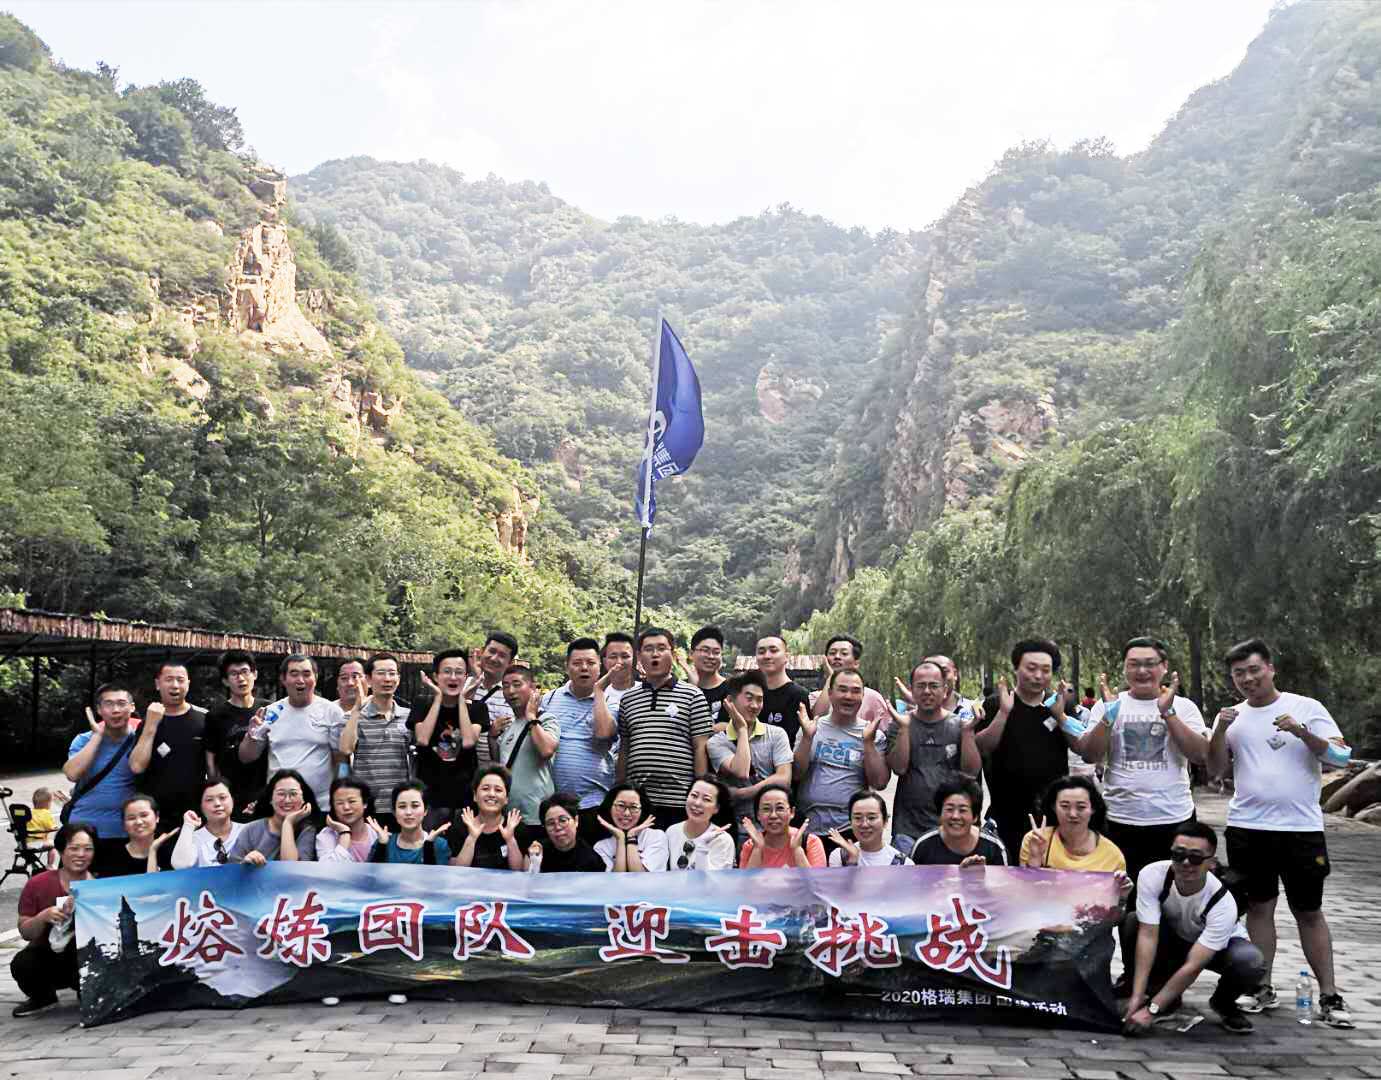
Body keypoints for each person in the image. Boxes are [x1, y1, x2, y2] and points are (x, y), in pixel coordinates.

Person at [1207, 637, 1354, 1027]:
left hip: (1300, 828)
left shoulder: (1306, 707)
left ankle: (1329, 994)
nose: (1247, 679)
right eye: (1239, 673)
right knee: (1258, 907)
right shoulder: (1232, 717)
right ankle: (1261, 986)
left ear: (1271, 668)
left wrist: (1303, 732)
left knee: (1308, 910)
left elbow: (1341, 756)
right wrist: (1220, 731)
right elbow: (1215, 770)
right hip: (1247, 827)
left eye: (1254, 670)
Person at [1076, 638, 1209, 884]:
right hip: (1119, 818)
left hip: (1173, 817)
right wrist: (1108, 716)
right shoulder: (1108, 705)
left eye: (1150, 663)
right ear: (1125, 668)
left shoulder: (1183, 706)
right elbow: (1090, 755)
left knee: (1171, 892)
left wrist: (1168, 713)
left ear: (1164, 667)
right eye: (1134, 664)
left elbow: (1200, 755)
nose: (1142, 670)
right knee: (1120, 892)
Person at [1122, 822, 1265, 1036]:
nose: (1186, 863)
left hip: (1217, 950)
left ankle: (1223, 1003)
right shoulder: (1152, 875)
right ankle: (1155, 993)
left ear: (1211, 863)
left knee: (1250, 960)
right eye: (1179, 855)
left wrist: (1151, 1011)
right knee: (1132, 922)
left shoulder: (1223, 902)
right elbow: (1148, 935)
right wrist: (1137, 996)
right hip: (1173, 939)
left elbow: (1194, 965)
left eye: (1196, 858)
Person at [976, 639, 1084, 861]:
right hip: (1005, 812)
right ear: (1016, 669)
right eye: (1031, 668)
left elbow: (1081, 747)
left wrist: (1061, 716)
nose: (1038, 676)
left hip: (1053, 814)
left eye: (1045, 670)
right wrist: (1004, 713)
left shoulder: (1060, 705)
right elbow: (983, 748)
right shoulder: (996, 704)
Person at [617, 627, 712, 830]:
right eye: (648, 649)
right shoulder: (628, 699)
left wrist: (699, 792)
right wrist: (620, 789)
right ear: (639, 656)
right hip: (638, 802)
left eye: (661, 648)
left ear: (673, 654)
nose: (655, 654)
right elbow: (625, 748)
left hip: (679, 800)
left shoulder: (693, 695)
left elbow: (700, 747)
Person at [888, 659, 981, 850]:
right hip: (908, 828)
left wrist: (967, 733)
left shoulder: (959, 725)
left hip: (951, 825)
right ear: (911, 690)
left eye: (933, 686)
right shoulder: (899, 724)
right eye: (921, 686)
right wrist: (904, 729)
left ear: (945, 690)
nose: (927, 691)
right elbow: (899, 768)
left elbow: (971, 772)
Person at [64, 682, 157, 866]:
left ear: (132, 707)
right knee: (78, 883)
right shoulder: (83, 739)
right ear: (99, 709)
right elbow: (72, 774)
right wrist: (97, 736)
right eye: (108, 704)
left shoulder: (140, 742)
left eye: (122, 703)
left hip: (125, 832)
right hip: (82, 831)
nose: (116, 710)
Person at [238, 654, 344, 816]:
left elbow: (341, 760)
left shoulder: (332, 712)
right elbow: (247, 757)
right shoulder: (271, 713)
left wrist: (341, 795)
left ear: (315, 678)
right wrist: (251, 736)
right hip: (279, 807)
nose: (300, 680)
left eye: (306, 674)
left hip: (320, 807)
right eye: (294, 674)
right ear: (283, 679)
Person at [10, 822, 97, 1018]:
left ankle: (89, 992)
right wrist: (43, 917)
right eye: (74, 848)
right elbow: (25, 931)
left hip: (85, 958)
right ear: (61, 850)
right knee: (22, 963)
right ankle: (43, 997)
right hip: (47, 955)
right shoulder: (38, 884)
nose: (81, 854)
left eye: (88, 849)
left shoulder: (101, 885)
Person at [794, 670, 889, 839]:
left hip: (852, 827)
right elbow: (795, 774)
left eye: (855, 691)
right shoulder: (811, 728)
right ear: (830, 693)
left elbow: (879, 783)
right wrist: (807, 738)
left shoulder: (873, 734)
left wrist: (868, 743)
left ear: (863, 695)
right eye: (842, 689)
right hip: (808, 827)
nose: (848, 696)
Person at [544, 638, 621, 839]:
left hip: (594, 803)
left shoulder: (610, 702)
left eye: (590, 663)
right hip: (555, 805)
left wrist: (598, 691)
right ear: (567, 667)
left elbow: (603, 733)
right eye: (577, 663)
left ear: (600, 666)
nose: (584, 668)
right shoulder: (549, 699)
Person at [410, 650, 486, 820]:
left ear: (466, 677)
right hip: (429, 799)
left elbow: (468, 741)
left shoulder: (477, 708)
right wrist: (438, 698)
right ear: (435, 676)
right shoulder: (422, 703)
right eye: (447, 671)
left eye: (459, 672)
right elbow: (422, 739)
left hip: (466, 799)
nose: (453, 677)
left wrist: (462, 700)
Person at [707, 671, 793, 820]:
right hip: (734, 823)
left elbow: (784, 778)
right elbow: (741, 771)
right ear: (730, 701)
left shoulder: (777, 734)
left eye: (760, 700)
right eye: (749, 698)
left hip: (771, 821)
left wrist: (741, 793)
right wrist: (741, 729)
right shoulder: (717, 742)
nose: (755, 705)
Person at [339, 653, 412, 826]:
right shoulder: (352, 717)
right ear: (369, 680)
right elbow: (346, 749)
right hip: (366, 806)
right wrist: (357, 709)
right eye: (381, 673)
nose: (387, 679)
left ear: (398, 679)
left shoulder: (408, 717)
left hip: (401, 806)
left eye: (392, 673)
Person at [490, 665, 560, 839]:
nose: (511, 691)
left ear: (533, 687)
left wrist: (531, 717)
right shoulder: (509, 725)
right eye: (506, 686)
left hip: (537, 815)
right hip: (509, 815)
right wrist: (492, 737)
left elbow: (546, 750)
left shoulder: (546, 719)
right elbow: (501, 766)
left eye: (517, 684)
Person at [139, 660, 209, 826]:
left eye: (180, 680)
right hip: (156, 815)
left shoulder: (205, 719)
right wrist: (150, 726)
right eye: (169, 679)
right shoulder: (148, 721)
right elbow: (136, 766)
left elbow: (214, 768)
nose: (175, 685)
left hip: (195, 814)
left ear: (188, 684)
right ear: (158, 684)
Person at [1020, 775, 1129, 876]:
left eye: (1081, 807)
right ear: (1053, 807)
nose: (1072, 814)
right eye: (1065, 806)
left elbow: (1116, 890)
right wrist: (1035, 858)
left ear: (1093, 808)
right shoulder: (1035, 840)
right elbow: (1027, 887)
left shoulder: (1113, 855)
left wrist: (1121, 889)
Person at [204, 650, 268, 815]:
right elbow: (211, 761)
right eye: (234, 674)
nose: (241, 678)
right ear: (225, 681)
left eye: (245, 672)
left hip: (265, 795)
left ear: (254, 674)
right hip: (231, 798)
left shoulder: (268, 710)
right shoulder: (215, 715)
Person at [909, 778, 1009, 867]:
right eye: (949, 809)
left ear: (975, 817)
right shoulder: (923, 846)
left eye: (962, 810)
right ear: (940, 814)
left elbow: (1006, 881)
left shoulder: (994, 848)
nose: (955, 816)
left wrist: (985, 875)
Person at [227, 769, 317, 864]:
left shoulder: (306, 830)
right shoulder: (251, 829)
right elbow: (231, 868)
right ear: (270, 798)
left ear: (303, 799)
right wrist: (245, 863)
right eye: (281, 794)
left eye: (293, 794)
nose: (287, 800)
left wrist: (288, 823)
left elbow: (291, 868)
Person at [451, 765, 525, 870]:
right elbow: (456, 871)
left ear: (506, 799)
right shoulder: (462, 823)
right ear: (475, 796)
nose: (491, 794)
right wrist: (471, 838)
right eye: (485, 789)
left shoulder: (515, 826)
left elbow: (519, 872)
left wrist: (510, 839)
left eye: (498, 790)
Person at [810, 635, 890, 727]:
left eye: (844, 653)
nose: (837, 657)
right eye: (832, 653)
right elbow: (816, 724)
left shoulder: (873, 698)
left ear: (856, 663)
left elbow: (884, 731)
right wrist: (831, 677)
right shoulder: (814, 697)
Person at [739, 784, 826, 869]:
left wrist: (797, 850)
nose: (773, 815)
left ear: (792, 812)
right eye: (766, 809)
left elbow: (816, 879)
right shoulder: (751, 846)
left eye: (780, 808)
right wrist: (757, 849)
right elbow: (746, 879)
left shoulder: (810, 842)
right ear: (758, 814)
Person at [368, 781, 452, 864]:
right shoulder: (383, 842)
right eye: (402, 806)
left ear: (425, 810)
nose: (408, 812)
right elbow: (371, 872)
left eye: (415, 806)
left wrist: (428, 847)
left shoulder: (438, 844)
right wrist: (381, 846)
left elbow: (436, 873)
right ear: (394, 812)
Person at [470, 632, 520, 768]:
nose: (494, 658)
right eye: (491, 651)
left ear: (510, 663)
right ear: (482, 651)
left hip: (497, 774)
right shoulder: (463, 686)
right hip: (463, 771)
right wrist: (475, 681)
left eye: (502, 655)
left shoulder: (513, 695)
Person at [170, 778, 245, 868]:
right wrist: (188, 826)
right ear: (201, 806)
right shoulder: (193, 839)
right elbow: (179, 865)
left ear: (232, 800)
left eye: (222, 797)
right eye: (209, 800)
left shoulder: (248, 831)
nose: (217, 804)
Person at [665, 776, 735, 871]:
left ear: (716, 808)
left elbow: (713, 879)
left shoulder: (722, 840)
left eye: (706, 799)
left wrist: (702, 846)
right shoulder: (672, 831)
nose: (697, 803)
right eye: (694, 795)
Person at [594, 783, 668, 871]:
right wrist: (620, 839)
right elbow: (616, 878)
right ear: (609, 807)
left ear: (642, 810)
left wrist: (631, 836)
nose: (626, 813)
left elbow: (639, 876)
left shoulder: (656, 837)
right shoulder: (601, 846)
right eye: (621, 806)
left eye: (633, 807)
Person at [826, 789, 910, 867]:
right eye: (858, 818)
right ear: (850, 822)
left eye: (871, 818)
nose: (864, 824)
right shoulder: (839, 856)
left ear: (885, 821)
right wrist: (851, 863)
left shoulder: (904, 864)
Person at [525, 792, 605, 872]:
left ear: (576, 821)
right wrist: (535, 863)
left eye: (563, 820)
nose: (558, 827)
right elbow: (528, 878)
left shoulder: (592, 859)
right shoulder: (537, 851)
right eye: (551, 823)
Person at [100, 794, 176, 876]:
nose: (139, 822)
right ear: (123, 824)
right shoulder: (112, 857)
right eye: (131, 818)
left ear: (157, 817)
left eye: (144, 815)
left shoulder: (172, 852)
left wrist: (153, 850)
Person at [755, 636, 810, 747]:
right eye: (761, 652)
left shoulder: (798, 695)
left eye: (773, 650)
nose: (767, 656)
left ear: (786, 657)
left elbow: (797, 738)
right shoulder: (751, 692)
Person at [316, 776, 376, 862]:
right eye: (340, 803)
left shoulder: (376, 834)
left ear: (365, 803)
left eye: (352, 801)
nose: (346, 807)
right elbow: (327, 868)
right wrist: (344, 833)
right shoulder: (326, 836)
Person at [685, 625, 731, 721]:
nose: (711, 656)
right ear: (691, 654)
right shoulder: (680, 688)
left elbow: (727, 726)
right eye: (705, 650)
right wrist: (692, 687)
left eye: (716, 652)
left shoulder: (732, 689)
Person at [600, 633, 637, 713]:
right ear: (605, 662)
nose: (619, 662)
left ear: (634, 660)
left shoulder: (645, 691)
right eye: (613, 657)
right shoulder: (597, 693)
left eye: (625, 656)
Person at [26, 788, 62, 869]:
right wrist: (56, 828)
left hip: (26, 842)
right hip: (39, 842)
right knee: (54, 845)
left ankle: (33, 863)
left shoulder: (29, 812)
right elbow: (51, 827)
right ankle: (50, 864)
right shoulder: (46, 813)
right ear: (47, 803)